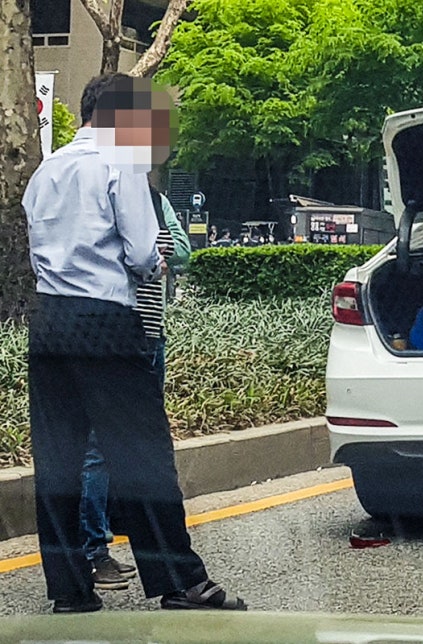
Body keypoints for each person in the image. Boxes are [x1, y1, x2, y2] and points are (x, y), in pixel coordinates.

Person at [21, 72, 246, 614]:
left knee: (58, 458)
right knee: (142, 453)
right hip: (106, 319)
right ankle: (181, 582)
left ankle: (69, 590)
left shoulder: (46, 170)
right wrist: (149, 265)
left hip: (48, 320)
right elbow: (145, 253)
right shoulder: (121, 163)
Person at [78, 183, 191, 591]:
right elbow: (133, 257)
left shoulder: (156, 200)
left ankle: (108, 541)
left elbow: (182, 251)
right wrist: (148, 254)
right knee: (99, 447)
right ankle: (93, 551)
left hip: (151, 335)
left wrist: (151, 250)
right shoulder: (104, 197)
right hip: (119, 334)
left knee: (136, 445)